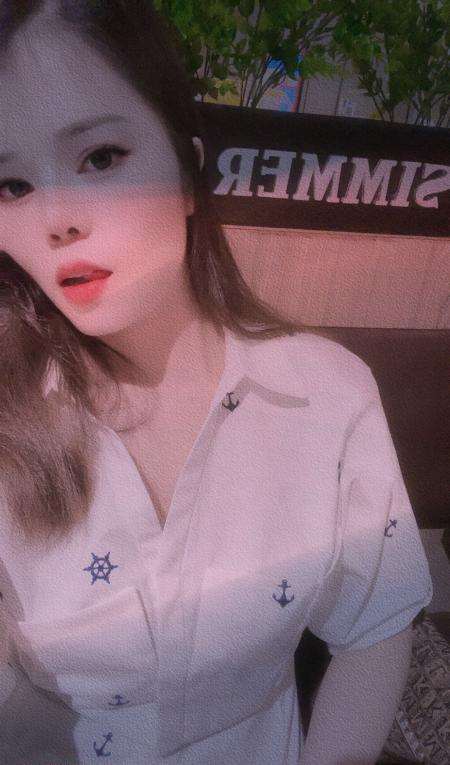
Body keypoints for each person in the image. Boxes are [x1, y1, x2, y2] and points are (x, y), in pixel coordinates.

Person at [0, 2, 433, 764]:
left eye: (100, 157)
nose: (57, 218)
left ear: (188, 172)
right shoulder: (11, 416)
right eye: (11, 185)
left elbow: (377, 623)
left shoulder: (327, 396)